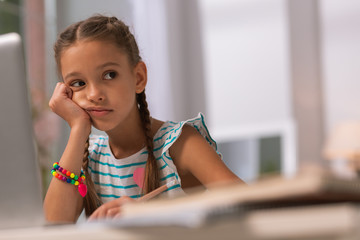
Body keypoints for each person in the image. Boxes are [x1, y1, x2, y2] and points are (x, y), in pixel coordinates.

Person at [43, 14, 243, 223]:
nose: (94, 94)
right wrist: (78, 129)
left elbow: (252, 206)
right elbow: (55, 225)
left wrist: (148, 213)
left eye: (109, 74)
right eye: (78, 83)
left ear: (138, 77)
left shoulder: (179, 143)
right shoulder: (89, 158)